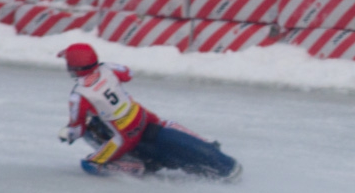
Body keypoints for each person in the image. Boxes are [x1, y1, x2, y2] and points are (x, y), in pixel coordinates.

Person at [57, 44, 240, 179]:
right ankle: (205, 141)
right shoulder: (108, 68)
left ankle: (138, 167)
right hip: (141, 115)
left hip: (125, 135)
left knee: (90, 164)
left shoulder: (79, 96)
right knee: (164, 123)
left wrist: (68, 135)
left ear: (74, 68)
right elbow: (128, 73)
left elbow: (78, 128)